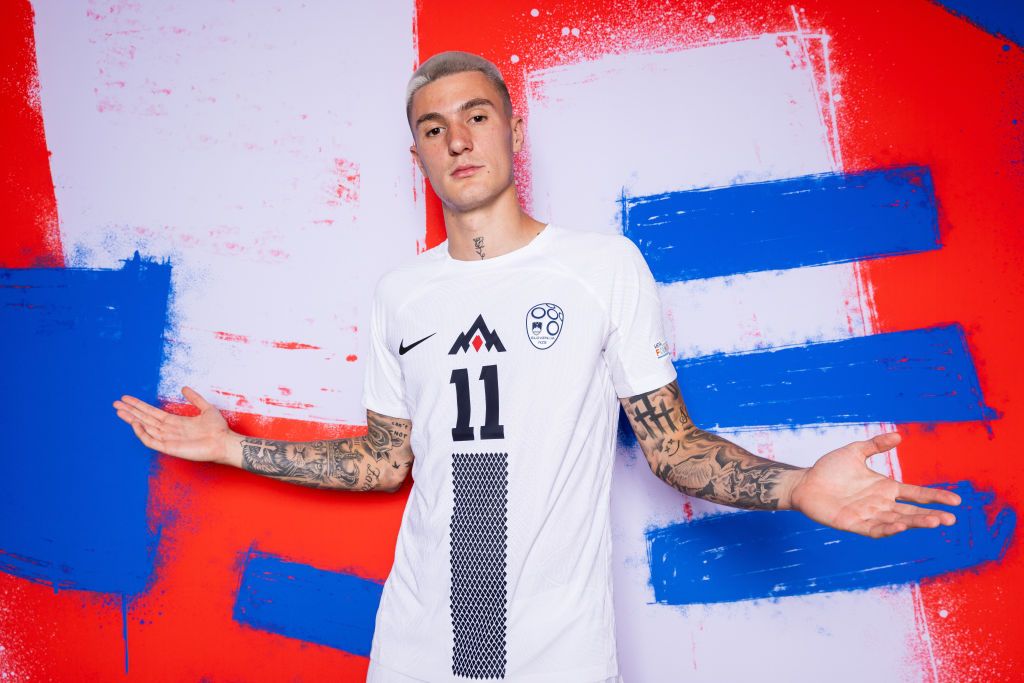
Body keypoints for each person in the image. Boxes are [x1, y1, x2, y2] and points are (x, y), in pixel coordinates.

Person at [112, 50, 962, 683]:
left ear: (514, 130)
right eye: (433, 127)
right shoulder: (399, 293)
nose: (457, 139)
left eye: (476, 116)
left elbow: (670, 447)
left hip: (556, 643)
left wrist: (798, 485)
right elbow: (384, 459)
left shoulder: (601, 268)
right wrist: (232, 449)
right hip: (420, 637)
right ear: (418, 156)